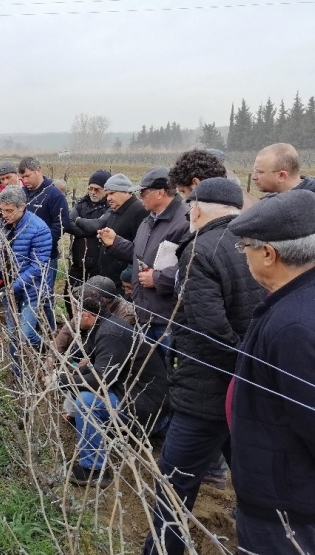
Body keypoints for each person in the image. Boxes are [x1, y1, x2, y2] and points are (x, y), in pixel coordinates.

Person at [142, 178, 266, 555]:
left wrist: (238, 365)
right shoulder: (255, 245)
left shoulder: (199, 251)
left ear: (196, 209)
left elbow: (210, 329)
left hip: (205, 391)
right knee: (252, 480)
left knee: (175, 483)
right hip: (247, 386)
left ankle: (162, 550)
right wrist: (251, 368)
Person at [225, 190, 315, 553]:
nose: (242, 254)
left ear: (268, 253)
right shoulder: (292, 301)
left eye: (244, 246)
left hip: (288, 511)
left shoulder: (295, 326)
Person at [60, 291, 169, 487]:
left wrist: (64, 380)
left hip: (142, 401)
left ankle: (94, 469)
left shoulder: (110, 333)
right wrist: (70, 373)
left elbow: (99, 381)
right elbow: (92, 362)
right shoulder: (102, 325)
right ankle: (101, 435)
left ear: (86, 315)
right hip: (129, 390)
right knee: (79, 386)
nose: (74, 319)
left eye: (77, 315)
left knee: (86, 402)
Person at [98, 168, 189, 351]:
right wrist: (115, 243)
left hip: (167, 319)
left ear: (161, 193)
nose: (140, 197)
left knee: (170, 372)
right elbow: (138, 255)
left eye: (144, 192)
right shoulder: (149, 221)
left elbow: (191, 268)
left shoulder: (185, 221)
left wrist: (157, 279)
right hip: (144, 313)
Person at [0, 185, 52, 377]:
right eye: (2, 210)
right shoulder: (0, 225)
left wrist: (13, 286)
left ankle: (52, 350)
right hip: (8, 289)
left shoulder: (39, 229)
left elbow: (38, 266)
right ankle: (16, 373)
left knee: (25, 334)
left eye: (9, 211)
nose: (4, 214)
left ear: (22, 207)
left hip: (31, 290)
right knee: (11, 332)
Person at [18, 156, 70, 330]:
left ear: (38, 170)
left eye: (27, 176)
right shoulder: (23, 194)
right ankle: (30, 329)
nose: (24, 181)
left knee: (45, 296)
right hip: (23, 256)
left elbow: (61, 224)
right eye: (22, 178)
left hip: (47, 257)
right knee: (26, 292)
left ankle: (51, 331)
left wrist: (42, 244)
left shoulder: (53, 194)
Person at [74, 174, 148, 287]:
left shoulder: (138, 211)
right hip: (109, 278)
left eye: (112, 193)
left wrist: (128, 276)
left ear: (126, 192)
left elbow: (141, 250)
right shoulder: (116, 209)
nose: (108, 198)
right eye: (107, 194)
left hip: (123, 281)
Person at [168, 148, 257, 211]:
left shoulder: (219, 213)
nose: (185, 198)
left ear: (196, 183)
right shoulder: (246, 201)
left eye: (183, 191)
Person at [64, 170, 111, 286]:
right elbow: (67, 223)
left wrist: (78, 220)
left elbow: (98, 225)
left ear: (106, 191)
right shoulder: (82, 202)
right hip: (78, 262)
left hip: (99, 265)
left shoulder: (111, 207)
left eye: (97, 189)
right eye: (90, 188)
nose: (92, 192)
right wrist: (91, 231)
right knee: (69, 297)